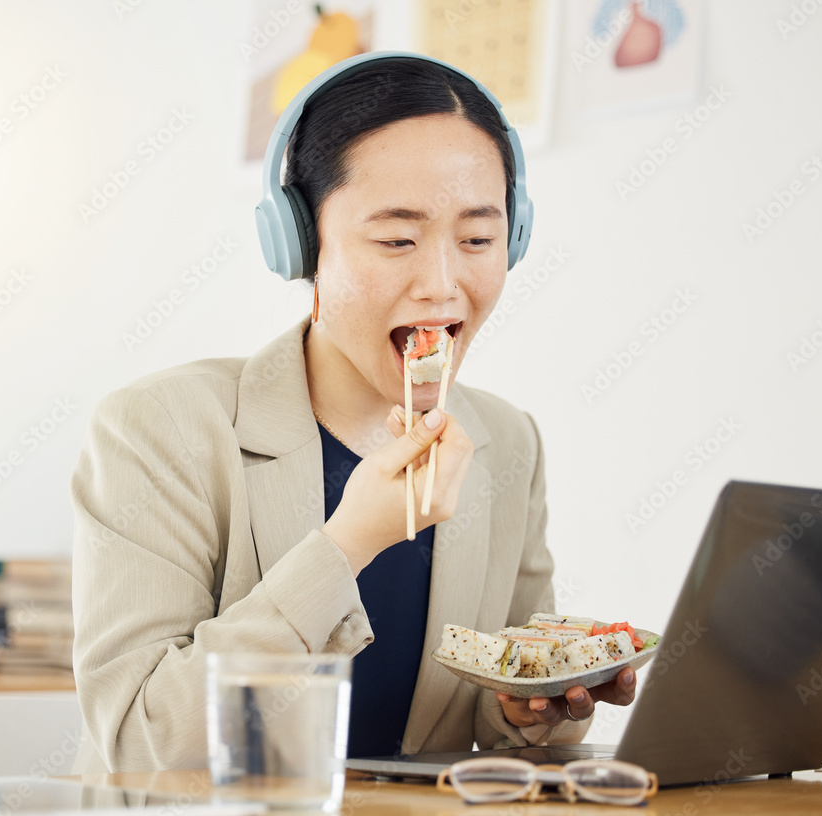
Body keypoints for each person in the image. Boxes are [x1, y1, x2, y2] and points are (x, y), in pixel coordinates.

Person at [70, 52, 636, 774]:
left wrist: (531, 711)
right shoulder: (157, 427)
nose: (441, 284)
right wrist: (346, 547)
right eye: (397, 239)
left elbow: (494, 736)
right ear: (302, 244)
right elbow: (140, 743)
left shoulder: (507, 441)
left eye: (478, 240)